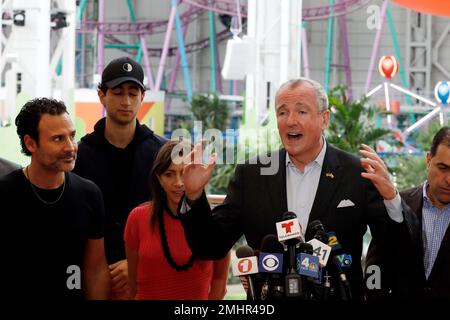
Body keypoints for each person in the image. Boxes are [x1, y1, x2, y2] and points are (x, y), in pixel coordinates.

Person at [178, 78, 401, 300]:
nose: (290, 121)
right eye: (282, 113)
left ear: (324, 119)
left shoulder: (357, 173)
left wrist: (391, 198)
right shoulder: (252, 174)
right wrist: (194, 196)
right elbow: (210, 247)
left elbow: (395, 247)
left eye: (301, 111)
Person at [73, 56, 166, 298]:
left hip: (150, 278)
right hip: (92, 278)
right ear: (102, 95)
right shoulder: (78, 156)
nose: (126, 101)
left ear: (142, 97)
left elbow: (172, 219)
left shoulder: (162, 155)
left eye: (133, 93)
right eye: (117, 92)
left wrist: (135, 263)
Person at [0, 98, 110, 299]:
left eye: (72, 136)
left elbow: (95, 271)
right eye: (58, 139)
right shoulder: (5, 193)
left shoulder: (89, 194)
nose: (71, 147)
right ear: (31, 143)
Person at [124, 140, 231, 300]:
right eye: (169, 174)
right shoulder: (137, 218)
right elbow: (132, 284)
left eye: (184, 172)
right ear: (159, 179)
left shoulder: (215, 222)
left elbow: (219, 284)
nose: (179, 183)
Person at [363, 126, 450, 300]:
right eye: (443, 167)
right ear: (428, 160)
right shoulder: (395, 203)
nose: (449, 179)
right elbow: (375, 266)